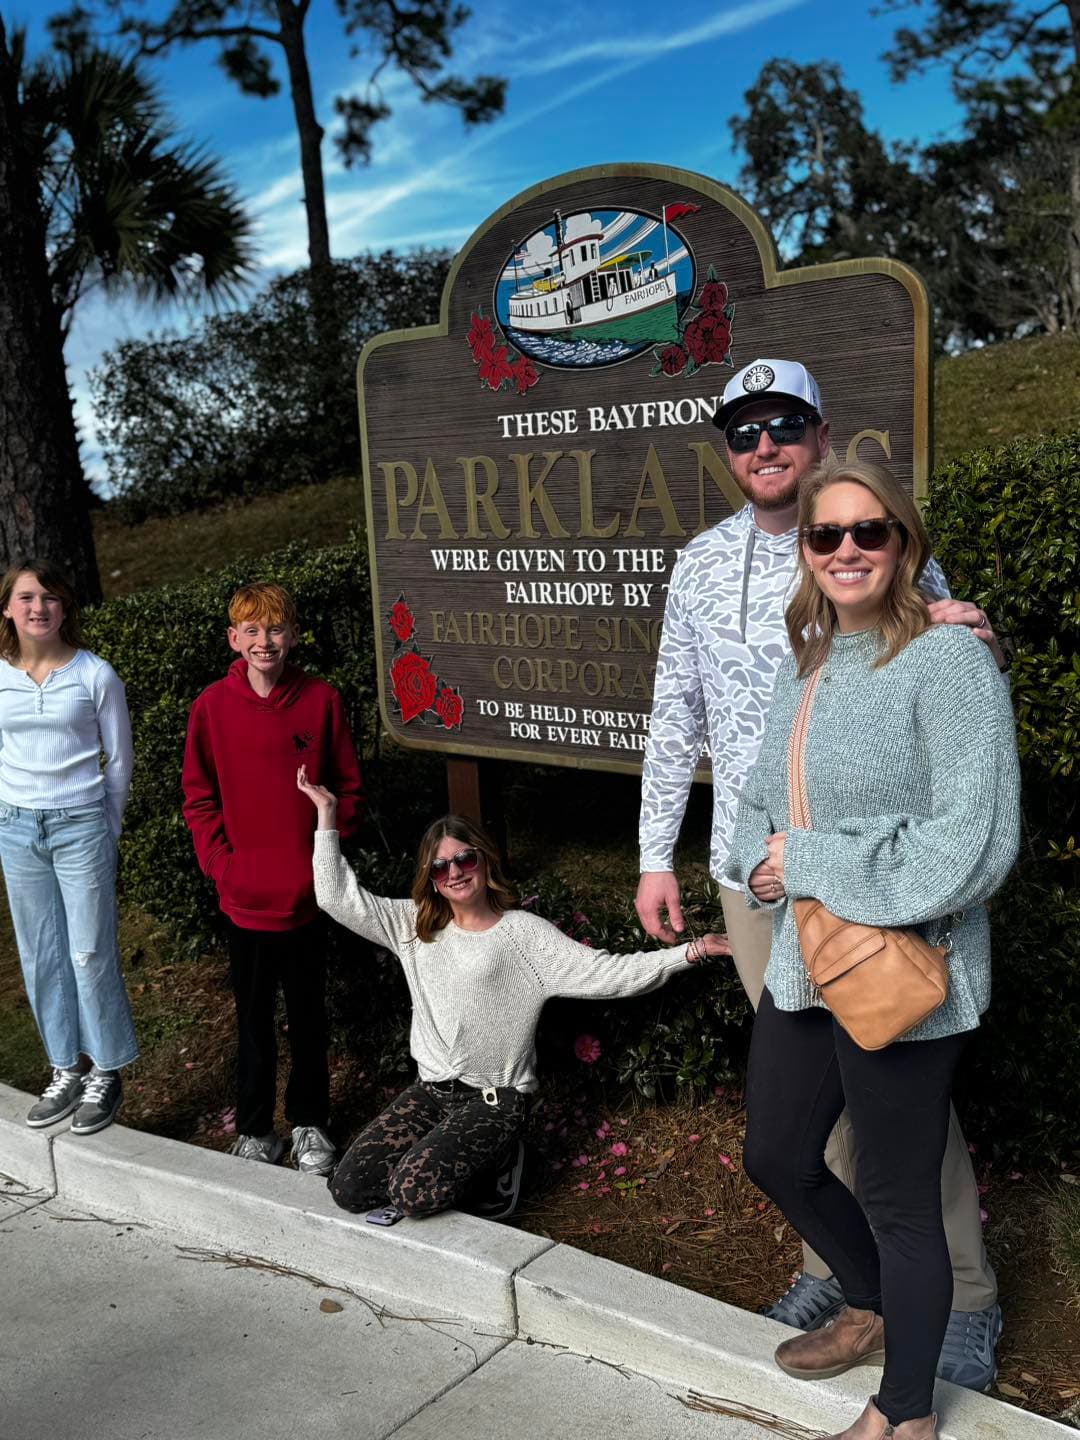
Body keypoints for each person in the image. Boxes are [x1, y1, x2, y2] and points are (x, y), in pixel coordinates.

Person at [637, 358, 1010, 1390]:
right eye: (745, 429)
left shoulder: (882, 554)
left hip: (883, 890)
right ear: (728, 448)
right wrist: (654, 855)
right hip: (760, 882)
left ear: (817, 430)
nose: (765, 444)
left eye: (785, 423)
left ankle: (960, 1299)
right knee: (802, 1120)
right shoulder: (704, 566)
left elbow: (955, 683)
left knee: (896, 1103)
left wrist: (984, 637)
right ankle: (857, 1292)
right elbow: (680, 718)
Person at [723, 458, 1020, 1440]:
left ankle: (905, 1414)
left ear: (903, 545)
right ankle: (870, 1301)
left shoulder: (950, 663)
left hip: (907, 970)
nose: (847, 549)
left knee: (899, 1201)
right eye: (826, 535)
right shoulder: (800, 665)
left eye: (870, 531)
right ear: (805, 554)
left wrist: (803, 857)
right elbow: (761, 802)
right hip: (809, 957)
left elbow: (971, 844)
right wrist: (759, 865)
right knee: (777, 1153)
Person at [295, 775, 730, 1220]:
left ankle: (506, 1157)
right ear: (431, 879)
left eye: (465, 858)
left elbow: (608, 973)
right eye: (441, 867)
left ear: (484, 860)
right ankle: (463, 1151)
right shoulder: (410, 927)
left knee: (412, 1193)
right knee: (350, 1188)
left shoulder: (521, 934)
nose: (456, 872)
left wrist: (692, 951)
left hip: (495, 1099)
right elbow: (334, 896)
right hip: (430, 1093)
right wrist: (325, 816)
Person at [182, 582, 363, 1175]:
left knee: (309, 1019)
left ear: (294, 636)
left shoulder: (321, 701)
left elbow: (349, 789)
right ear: (234, 639)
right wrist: (221, 865)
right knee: (253, 1020)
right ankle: (256, 1129)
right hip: (244, 900)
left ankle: (310, 1124)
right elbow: (199, 797)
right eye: (252, 631)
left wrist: (324, 863)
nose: (265, 641)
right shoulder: (212, 706)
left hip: (309, 899)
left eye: (276, 629)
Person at [0, 559, 137, 1134]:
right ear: (7, 608)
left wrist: (104, 828)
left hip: (81, 824)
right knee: (39, 954)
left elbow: (120, 764)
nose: (39, 607)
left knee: (88, 952)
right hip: (16, 827)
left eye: (50, 598)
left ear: (65, 608)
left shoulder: (95, 674)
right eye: (27, 597)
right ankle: (65, 1068)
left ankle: (105, 1070)